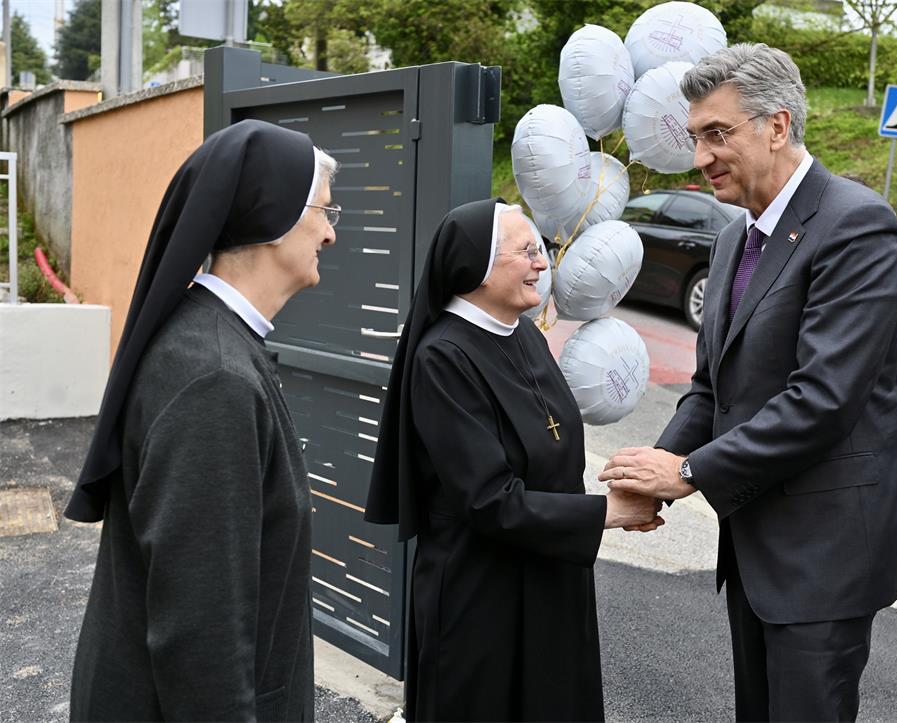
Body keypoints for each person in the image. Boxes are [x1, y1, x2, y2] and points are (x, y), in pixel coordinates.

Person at [599, 44, 897, 721]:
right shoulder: (732, 239)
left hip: (826, 552)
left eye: (717, 134)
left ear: (777, 126)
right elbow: (711, 389)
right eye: (696, 137)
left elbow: (823, 400)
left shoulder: (856, 225)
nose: (701, 157)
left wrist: (687, 471)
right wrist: (649, 474)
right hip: (756, 539)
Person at [64, 119, 339, 721]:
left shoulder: (212, 342)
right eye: (324, 211)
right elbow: (201, 634)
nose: (330, 233)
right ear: (273, 218)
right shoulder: (215, 376)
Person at [364, 199, 662, 722]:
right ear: (477, 265)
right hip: (483, 596)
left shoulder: (522, 332)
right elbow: (488, 499)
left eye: (540, 250)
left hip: (551, 579)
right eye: (526, 251)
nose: (542, 263)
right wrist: (608, 512)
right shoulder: (443, 357)